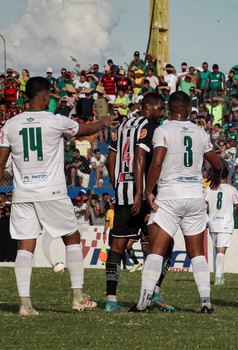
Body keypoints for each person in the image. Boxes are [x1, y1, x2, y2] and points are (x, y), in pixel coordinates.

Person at [0, 77, 116, 315]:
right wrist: (103, 121)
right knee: (71, 238)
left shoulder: (9, 125)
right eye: (50, 97)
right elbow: (84, 130)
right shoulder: (55, 121)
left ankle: (25, 304)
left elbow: (1, 162)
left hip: (23, 193)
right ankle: (77, 297)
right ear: (44, 97)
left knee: (25, 246)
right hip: (51, 191)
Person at [131, 91, 222, 313]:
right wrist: (217, 176)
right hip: (194, 195)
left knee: (156, 251)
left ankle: (143, 301)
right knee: (197, 253)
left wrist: (148, 191)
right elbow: (217, 163)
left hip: (170, 195)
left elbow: (157, 162)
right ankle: (206, 302)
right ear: (189, 109)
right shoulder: (200, 132)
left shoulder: (163, 130)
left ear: (169, 109)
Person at [105, 92, 175, 312]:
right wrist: (140, 192)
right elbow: (140, 157)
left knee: (116, 247)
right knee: (161, 245)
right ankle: (153, 292)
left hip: (123, 192)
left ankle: (111, 300)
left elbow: (111, 158)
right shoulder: (152, 127)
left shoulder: (124, 125)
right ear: (148, 107)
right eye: (160, 108)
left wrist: (117, 183)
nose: (162, 113)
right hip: (144, 195)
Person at [205, 166, 238, 285]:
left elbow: (205, 206)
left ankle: (220, 276)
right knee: (221, 250)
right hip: (225, 223)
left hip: (212, 222)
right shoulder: (232, 189)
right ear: (228, 176)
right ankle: (218, 278)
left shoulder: (210, 189)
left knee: (218, 250)